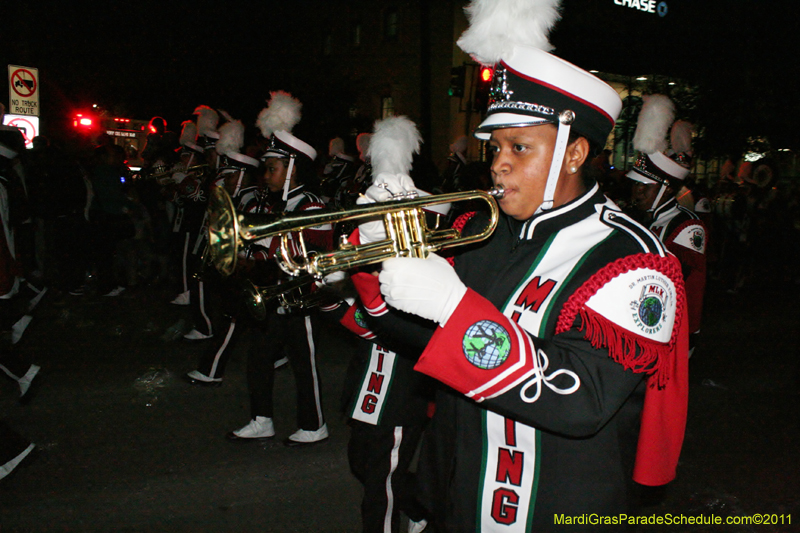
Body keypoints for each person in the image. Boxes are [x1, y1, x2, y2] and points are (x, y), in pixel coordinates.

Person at [356, 1, 689, 529]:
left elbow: (580, 399)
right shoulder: (478, 230)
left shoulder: (633, 258)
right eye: (495, 146)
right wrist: (375, 265)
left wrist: (453, 306)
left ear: (575, 153)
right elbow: (417, 340)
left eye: (519, 146)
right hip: (458, 491)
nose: (498, 162)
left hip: (554, 504)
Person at [626, 95, 707, 357]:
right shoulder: (640, 218)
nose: (636, 192)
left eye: (644, 187)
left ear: (665, 190)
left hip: (674, 331)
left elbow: (668, 278)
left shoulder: (687, 226)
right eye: (636, 185)